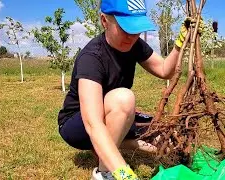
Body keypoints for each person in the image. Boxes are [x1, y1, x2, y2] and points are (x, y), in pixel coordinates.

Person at [58, 0, 190, 179]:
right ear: (104, 21)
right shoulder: (92, 57)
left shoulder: (134, 44)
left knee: (163, 136)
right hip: (78, 125)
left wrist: (179, 44)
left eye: (137, 29)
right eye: (126, 28)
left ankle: (116, 145)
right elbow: (93, 123)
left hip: (112, 113)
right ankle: (104, 172)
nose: (132, 35)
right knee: (123, 98)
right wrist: (125, 174)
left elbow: (164, 70)